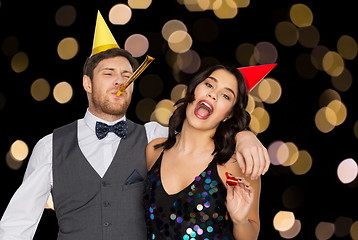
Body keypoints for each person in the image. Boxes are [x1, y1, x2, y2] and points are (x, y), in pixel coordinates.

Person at [0, 12, 270, 240]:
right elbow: (17, 225)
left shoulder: (152, 138)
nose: (120, 82)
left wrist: (244, 135)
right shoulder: (49, 147)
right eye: (108, 74)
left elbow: (201, 136)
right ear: (87, 84)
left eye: (127, 75)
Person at [144, 64, 271, 239]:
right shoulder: (154, 150)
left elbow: (251, 234)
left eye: (226, 95)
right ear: (194, 90)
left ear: (228, 115)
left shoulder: (235, 164)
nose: (213, 94)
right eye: (210, 85)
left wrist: (240, 221)